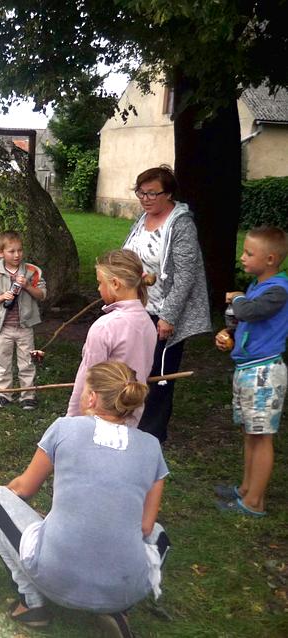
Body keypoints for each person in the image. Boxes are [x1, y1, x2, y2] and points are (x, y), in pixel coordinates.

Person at [0, 361, 170, 635]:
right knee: (159, 534)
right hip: (124, 589)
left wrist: (4, 494)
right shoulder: (151, 447)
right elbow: (145, 526)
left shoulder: (64, 428)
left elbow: (24, 488)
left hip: (53, 578)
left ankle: (31, 604)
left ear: (92, 397)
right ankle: (117, 608)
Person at [122, 165, 211, 442]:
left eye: (152, 193)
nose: (145, 199)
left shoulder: (181, 225)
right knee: (133, 368)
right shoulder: (142, 219)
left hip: (163, 311)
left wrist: (168, 316)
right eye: (141, 192)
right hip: (137, 307)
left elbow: (185, 276)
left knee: (159, 374)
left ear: (169, 194)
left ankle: (151, 434)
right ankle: (129, 424)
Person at [214, 226, 288, 517]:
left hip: (264, 373)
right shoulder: (259, 286)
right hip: (249, 369)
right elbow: (247, 323)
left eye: (249, 253)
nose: (242, 257)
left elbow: (249, 312)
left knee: (262, 436)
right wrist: (229, 336)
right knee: (250, 433)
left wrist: (237, 298)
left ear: (270, 259)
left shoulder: (279, 290)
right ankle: (246, 489)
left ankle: (255, 501)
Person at [66, 249, 157, 423]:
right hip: (131, 417)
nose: (98, 288)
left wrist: (72, 421)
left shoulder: (105, 327)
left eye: (100, 282)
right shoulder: (148, 324)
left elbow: (88, 379)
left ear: (115, 283)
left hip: (98, 419)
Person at [0, 230, 46, 410]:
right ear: (1, 253)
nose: (17, 255)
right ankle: (4, 394)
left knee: (27, 362)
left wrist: (27, 286)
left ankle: (28, 396)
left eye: (20, 250)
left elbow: (42, 295)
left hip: (25, 327)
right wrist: (2, 297)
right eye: (11, 251)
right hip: (3, 328)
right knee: (3, 363)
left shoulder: (32, 271)